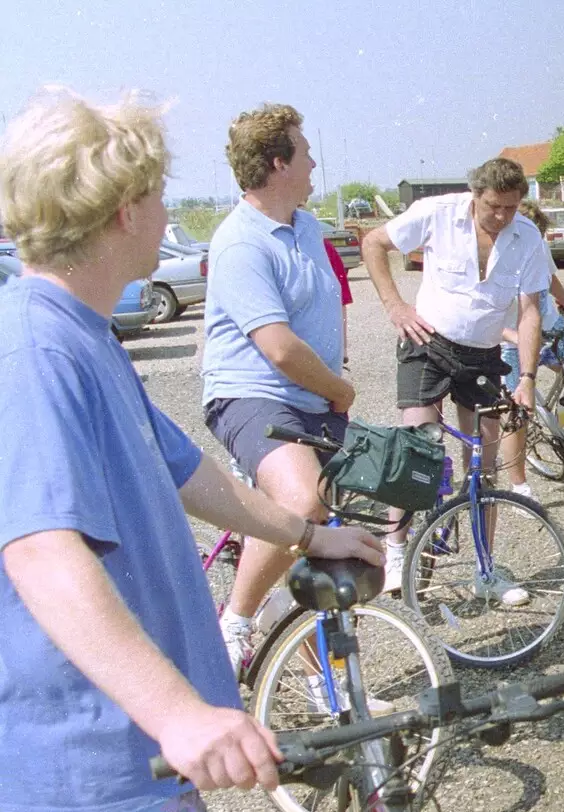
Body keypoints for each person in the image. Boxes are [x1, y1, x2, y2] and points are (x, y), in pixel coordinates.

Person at [0, 88, 382, 812]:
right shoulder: (38, 346)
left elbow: (186, 466)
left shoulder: (72, 329)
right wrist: (179, 713)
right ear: (124, 209)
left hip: (52, 752)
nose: (172, 217)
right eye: (161, 198)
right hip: (104, 744)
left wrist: (304, 529)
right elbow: (40, 548)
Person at [202, 103, 354, 673]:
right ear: (277, 163)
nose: (314, 161)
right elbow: (279, 349)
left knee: (323, 553)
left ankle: (325, 688)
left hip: (312, 396)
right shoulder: (241, 242)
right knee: (301, 501)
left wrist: (333, 383)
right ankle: (235, 625)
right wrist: (342, 389)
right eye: (305, 151)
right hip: (252, 394)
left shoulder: (308, 226)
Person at [361, 157, 553, 595]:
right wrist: (395, 306)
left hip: (483, 355)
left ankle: (485, 571)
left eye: (511, 207)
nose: (502, 217)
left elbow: (528, 313)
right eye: (493, 207)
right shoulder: (437, 212)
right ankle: (394, 552)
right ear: (475, 195)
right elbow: (373, 243)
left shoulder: (527, 238)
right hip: (427, 344)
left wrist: (526, 378)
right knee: (417, 449)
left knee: (484, 467)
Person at [498, 202, 564, 497]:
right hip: (512, 343)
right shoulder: (491, 254)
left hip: (550, 330)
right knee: (517, 416)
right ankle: (519, 485)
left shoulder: (535, 244)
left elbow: (550, 280)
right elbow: (480, 315)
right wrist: (512, 336)